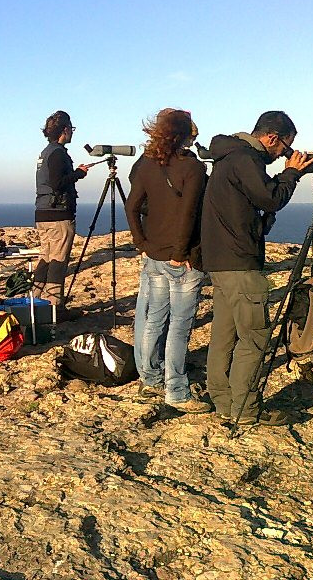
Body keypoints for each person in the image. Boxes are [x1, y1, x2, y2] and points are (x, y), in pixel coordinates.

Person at [201, 111, 313, 426]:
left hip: (220, 262)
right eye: (284, 147)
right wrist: (291, 174)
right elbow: (270, 198)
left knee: (224, 336)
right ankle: (246, 411)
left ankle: (223, 401)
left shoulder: (228, 157)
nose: (283, 154)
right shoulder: (245, 160)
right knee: (254, 338)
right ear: (272, 138)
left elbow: (255, 201)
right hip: (240, 264)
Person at [125, 109, 210, 413]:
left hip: (154, 256)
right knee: (179, 326)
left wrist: (141, 244)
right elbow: (189, 214)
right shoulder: (194, 169)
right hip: (182, 259)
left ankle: (149, 379)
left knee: (154, 320)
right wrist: (180, 253)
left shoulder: (147, 165)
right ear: (186, 134)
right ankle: (176, 390)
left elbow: (132, 207)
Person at [33, 110, 90, 310]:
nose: (72, 133)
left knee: (46, 259)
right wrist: (78, 174)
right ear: (65, 130)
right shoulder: (58, 153)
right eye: (71, 129)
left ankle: (35, 302)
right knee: (57, 261)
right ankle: (54, 308)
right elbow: (58, 183)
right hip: (58, 215)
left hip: (43, 213)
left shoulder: (46, 152)